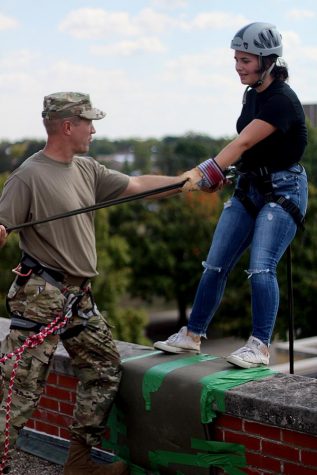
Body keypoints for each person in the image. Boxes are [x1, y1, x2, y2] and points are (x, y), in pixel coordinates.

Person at [0, 92, 226, 474]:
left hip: (78, 299)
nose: (93, 128)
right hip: (41, 298)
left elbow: (139, 186)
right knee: (19, 392)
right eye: (88, 121)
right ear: (67, 125)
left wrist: (190, 181)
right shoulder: (27, 177)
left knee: (105, 369)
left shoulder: (87, 169)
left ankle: (79, 460)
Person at [154, 22, 308, 369]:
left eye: (246, 59)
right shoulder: (252, 95)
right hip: (250, 187)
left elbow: (243, 142)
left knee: (260, 267)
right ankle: (191, 336)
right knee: (215, 263)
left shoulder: (281, 100)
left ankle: (258, 346)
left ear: (267, 60)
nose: (239, 66)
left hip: (283, 192)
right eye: (236, 59)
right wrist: (223, 173)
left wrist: (203, 172)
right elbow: (251, 153)